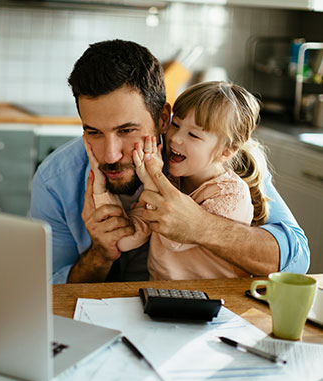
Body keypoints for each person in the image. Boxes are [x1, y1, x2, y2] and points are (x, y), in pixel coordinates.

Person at [29, 39, 309, 284]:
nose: (111, 155)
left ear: (164, 119)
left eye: (127, 131)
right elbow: (48, 292)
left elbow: (295, 258)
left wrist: (201, 226)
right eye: (93, 132)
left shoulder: (214, 161)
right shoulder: (56, 179)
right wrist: (101, 253)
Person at [87, 81, 270, 280]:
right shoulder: (172, 181)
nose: (175, 138)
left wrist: (151, 180)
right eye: (176, 124)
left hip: (216, 299)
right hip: (163, 295)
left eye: (193, 134)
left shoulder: (231, 194)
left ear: (226, 151)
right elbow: (126, 241)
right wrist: (100, 188)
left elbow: (174, 239)